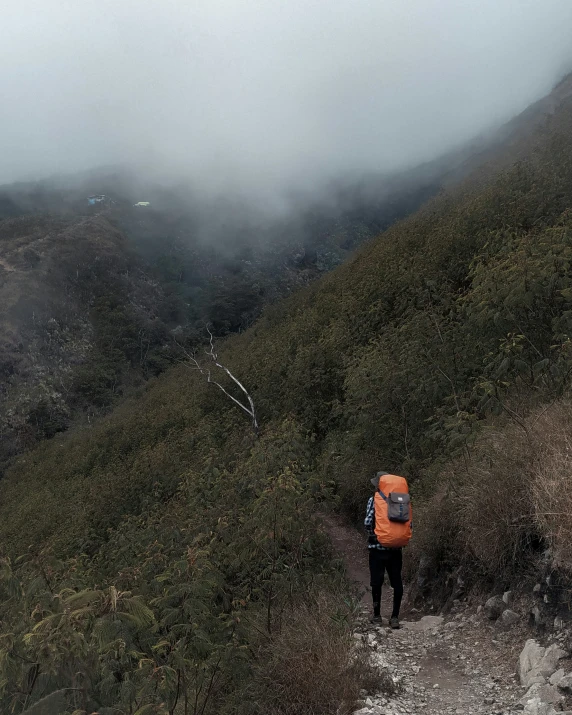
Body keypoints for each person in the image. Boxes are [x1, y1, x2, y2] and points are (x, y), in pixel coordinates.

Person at [364, 470, 408, 628]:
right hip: (396, 549)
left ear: (378, 485)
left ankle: (377, 616)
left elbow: (368, 522)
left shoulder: (374, 500)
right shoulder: (402, 500)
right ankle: (395, 617)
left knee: (376, 582)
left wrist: (376, 536)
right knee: (397, 582)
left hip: (377, 549)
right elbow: (408, 524)